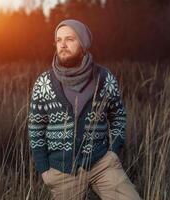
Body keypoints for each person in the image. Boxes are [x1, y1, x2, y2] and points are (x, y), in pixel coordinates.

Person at [28, 19, 142, 200]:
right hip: (62, 170)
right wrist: (44, 169)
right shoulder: (44, 83)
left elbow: (118, 116)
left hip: (102, 163)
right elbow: (36, 127)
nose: (63, 45)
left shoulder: (105, 78)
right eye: (58, 40)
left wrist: (113, 152)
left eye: (70, 39)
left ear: (83, 44)